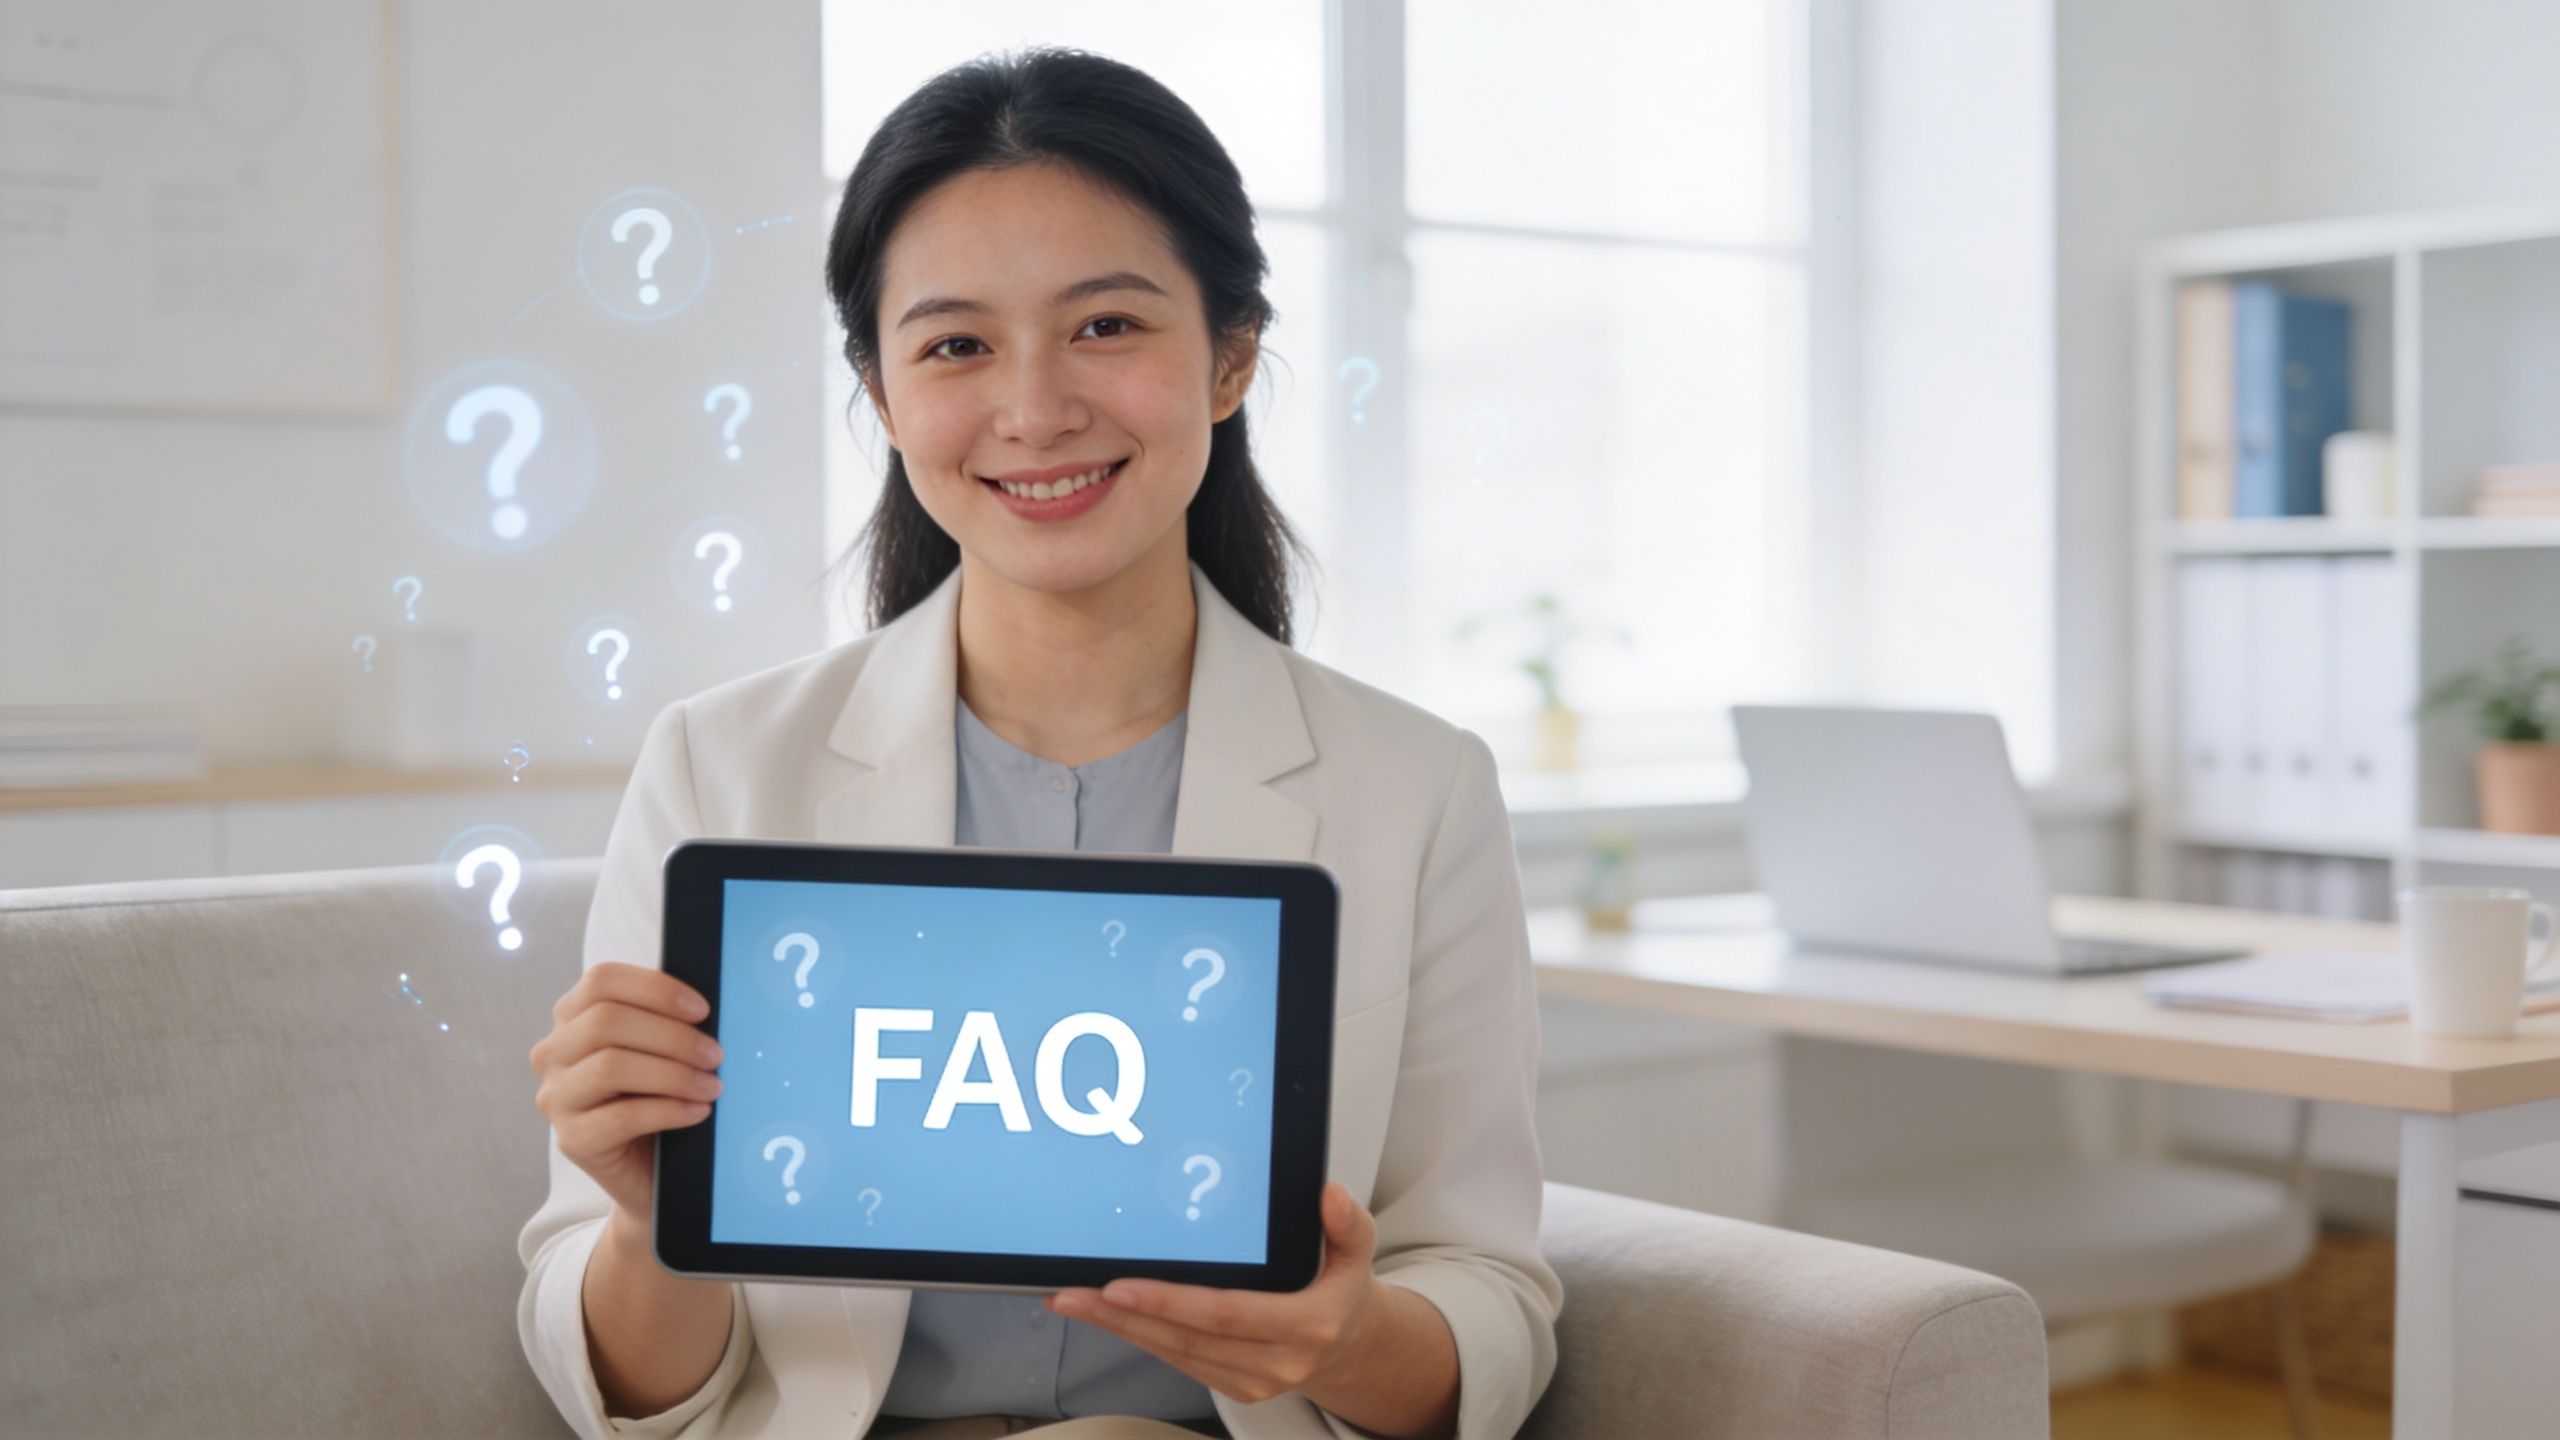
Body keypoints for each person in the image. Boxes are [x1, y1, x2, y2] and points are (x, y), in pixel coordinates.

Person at [519, 45, 1559, 1440]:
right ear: (884, 400)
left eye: (1107, 326)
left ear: (1233, 355)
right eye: (954, 345)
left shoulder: (1418, 790)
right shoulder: (721, 766)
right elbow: (630, 1401)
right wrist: (658, 1224)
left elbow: (1489, 1298)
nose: (1034, 409)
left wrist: (1345, 1336)